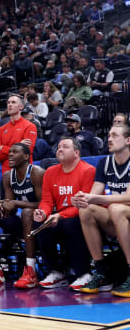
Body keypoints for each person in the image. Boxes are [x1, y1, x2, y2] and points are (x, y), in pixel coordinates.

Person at [0, 143, 44, 288]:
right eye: (9, 152)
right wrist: (4, 205)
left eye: (15, 152)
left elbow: (45, 204)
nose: (10, 154)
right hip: (23, 224)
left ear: (26, 156)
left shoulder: (37, 172)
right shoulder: (7, 176)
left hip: (41, 223)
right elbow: (10, 205)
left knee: (27, 213)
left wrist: (16, 203)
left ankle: (30, 271)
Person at [72, 124, 130, 294]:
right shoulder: (105, 163)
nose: (109, 139)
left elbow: (128, 197)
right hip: (117, 219)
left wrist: (95, 198)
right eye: (109, 135)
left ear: (128, 140)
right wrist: (83, 199)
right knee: (86, 210)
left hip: (123, 212)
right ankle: (101, 271)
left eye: (114, 135)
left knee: (116, 208)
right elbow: (94, 193)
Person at [33, 137, 94, 291]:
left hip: (83, 217)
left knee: (71, 223)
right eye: (59, 146)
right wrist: (43, 212)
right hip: (60, 218)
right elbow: (46, 201)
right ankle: (57, 272)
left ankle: (84, 273)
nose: (60, 149)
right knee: (41, 224)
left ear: (76, 152)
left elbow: (85, 204)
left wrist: (59, 216)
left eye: (65, 146)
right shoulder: (50, 172)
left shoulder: (88, 171)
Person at [0, 94, 37, 174]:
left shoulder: (30, 126)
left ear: (21, 107)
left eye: (13, 102)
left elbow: (25, 152)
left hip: (23, 174)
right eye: (8, 102)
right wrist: (19, 145)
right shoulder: (1, 130)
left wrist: (3, 148)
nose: (10, 105)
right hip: (6, 176)